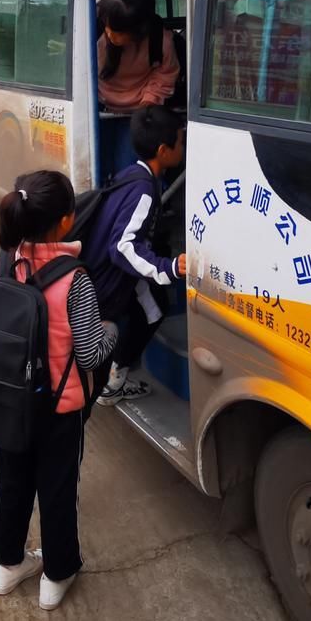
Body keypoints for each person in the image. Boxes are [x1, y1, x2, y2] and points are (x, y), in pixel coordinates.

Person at [0, 170, 118, 611]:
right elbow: (91, 354)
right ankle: (57, 574)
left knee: (12, 483)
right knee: (58, 488)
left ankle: (6, 566)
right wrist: (113, 331)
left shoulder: (6, 260)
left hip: (11, 403)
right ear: (66, 222)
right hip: (59, 409)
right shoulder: (75, 280)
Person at [81, 105, 187, 406]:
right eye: (180, 142)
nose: (183, 148)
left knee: (154, 308)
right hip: (109, 279)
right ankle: (112, 383)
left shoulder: (133, 173)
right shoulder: (144, 189)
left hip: (105, 273)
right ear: (164, 150)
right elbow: (123, 247)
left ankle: (115, 375)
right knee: (154, 309)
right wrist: (168, 268)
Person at [96, 0, 180, 112]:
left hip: (144, 106)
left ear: (140, 29)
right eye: (107, 25)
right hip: (99, 104)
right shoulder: (93, 34)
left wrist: (148, 103)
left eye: (119, 32)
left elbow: (165, 76)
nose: (109, 34)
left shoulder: (160, 41)